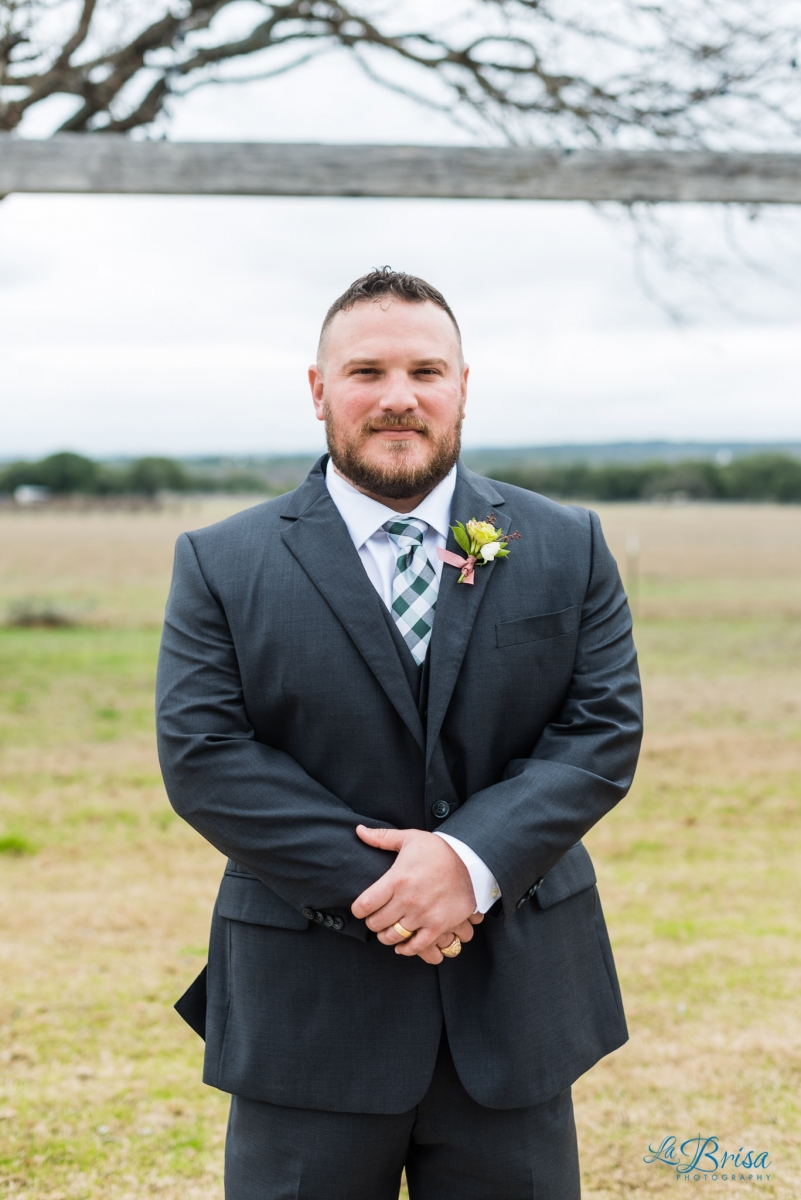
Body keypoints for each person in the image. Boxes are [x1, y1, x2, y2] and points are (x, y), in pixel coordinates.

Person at [156, 267, 643, 1200]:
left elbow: (600, 732)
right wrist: (399, 891)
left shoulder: (568, 544)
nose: (398, 398)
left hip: (513, 1006)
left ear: (462, 385)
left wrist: (467, 864)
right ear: (317, 389)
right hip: (307, 1010)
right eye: (366, 371)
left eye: (425, 371)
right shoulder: (221, 561)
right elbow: (206, 758)